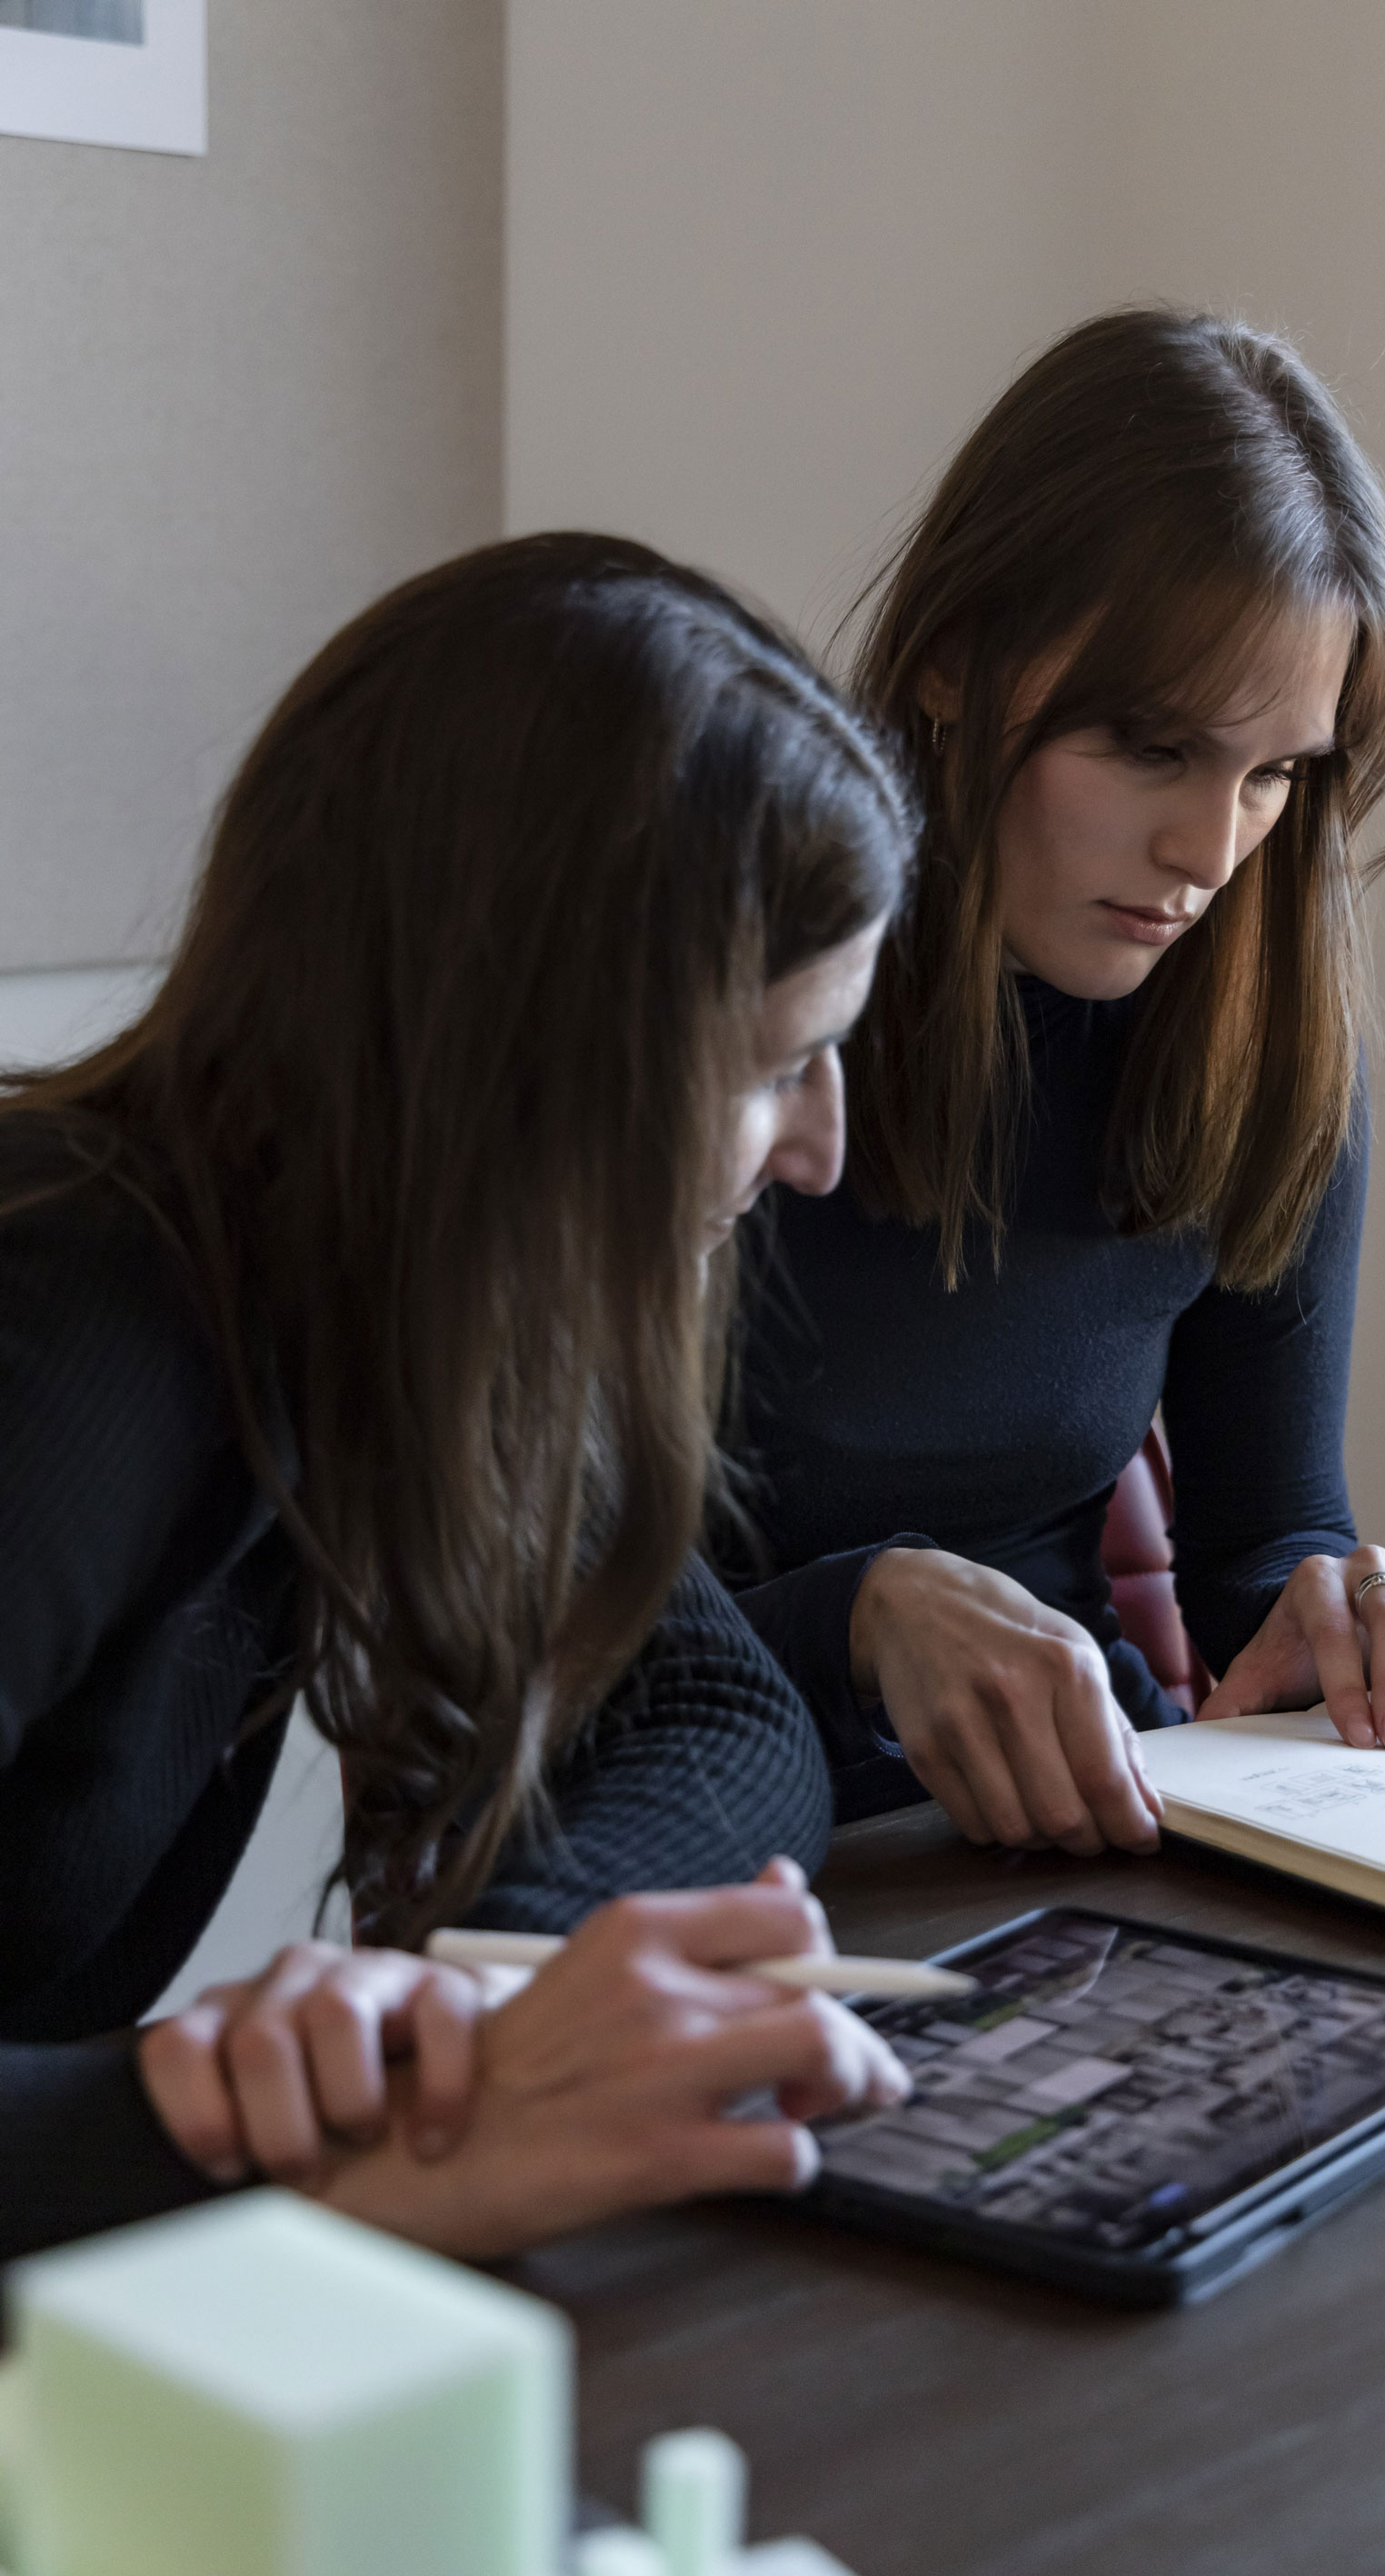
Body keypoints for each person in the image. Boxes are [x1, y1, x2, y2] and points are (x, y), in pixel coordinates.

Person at [0, 534, 916, 2262]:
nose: (821, 1147)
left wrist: (494, 2002)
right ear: (536, 1066)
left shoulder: (395, 1285)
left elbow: (718, 1714)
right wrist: (258, 2118)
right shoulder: (66, 1345)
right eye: (776, 1064)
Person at [731, 307, 1385, 1855]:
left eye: (1274, 772)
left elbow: (1260, 1536)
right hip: (694, 1848)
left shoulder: (1257, 1037)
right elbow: (496, 1621)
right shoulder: (723, 1015)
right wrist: (853, 1613)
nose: (1208, 852)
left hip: (1094, 1835)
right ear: (951, 660)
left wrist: (1331, 1612)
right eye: (1152, 747)